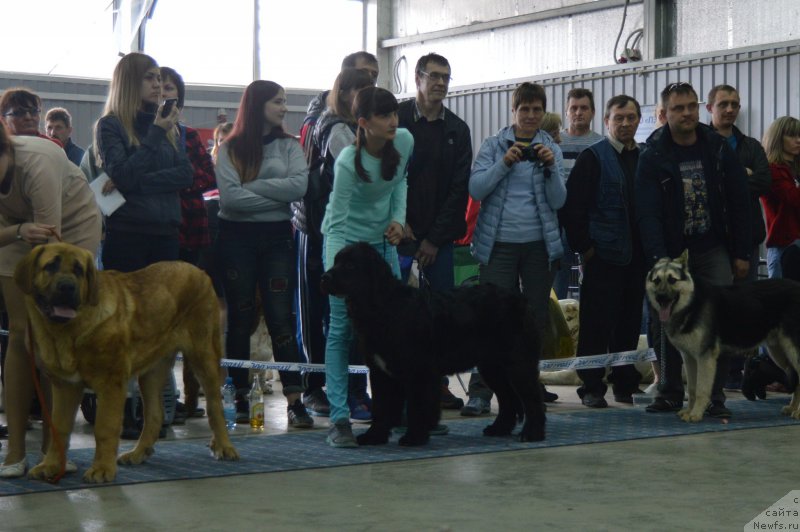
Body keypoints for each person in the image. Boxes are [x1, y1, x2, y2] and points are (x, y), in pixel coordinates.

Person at [635, 81, 751, 417]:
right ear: (664, 113)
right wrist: (659, 260)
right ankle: (670, 391)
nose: (686, 113)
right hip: (670, 254)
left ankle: (713, 398)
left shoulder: (717, 147)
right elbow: (647, 213)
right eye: (677, 108)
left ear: (699, 109)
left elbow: (739, 201)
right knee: (664, 322)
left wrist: (742, 252)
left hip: (713, 247)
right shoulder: (652, 154)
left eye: (690, 107)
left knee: (719, 321)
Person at [0, 120, 102, 478]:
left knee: (49, 337)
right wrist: (14, 230)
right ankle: (13, 450)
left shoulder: (37, 163)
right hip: (13, 231)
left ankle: (53, 448)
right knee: (18, 332)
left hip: (67, 228)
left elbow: (50, 244)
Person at [462, 82, 566, 417]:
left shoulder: (551, 147)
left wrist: (551, 169)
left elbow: (559, 200)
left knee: (531, 323)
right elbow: (476, 189)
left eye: (538, 110)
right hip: (499, 246)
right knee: (488, 319)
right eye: (525, 109)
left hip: (539, 248)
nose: (531, 116)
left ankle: (527, 389)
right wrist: (504, 163)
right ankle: (480, 392)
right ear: (514, 111)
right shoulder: (494, 145)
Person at [215, 79, 313, 429]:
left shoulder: (291, 146)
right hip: (235, 239)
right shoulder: (229, 149)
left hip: (276, 238)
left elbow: (299, 187)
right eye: (277, 102)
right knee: (240, 319)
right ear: (257, 105)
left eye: (285, 101)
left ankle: (294, 401)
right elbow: (229, 200)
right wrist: (276, 195)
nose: (284, 108)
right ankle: (239, 395)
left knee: (280, 319)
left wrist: (250, 188)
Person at [322, 86, 413, 447]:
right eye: (384, 115)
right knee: (341, 333)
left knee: (394, 332)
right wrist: (334, 276)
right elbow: (337, 223)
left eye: (394, 113)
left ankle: (393, 413)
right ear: (363, 123)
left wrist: (398, 221)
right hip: (345, 248)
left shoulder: (404, 140)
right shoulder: (347, 161)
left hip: (382, 245)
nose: (393, 121)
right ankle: (339, 419)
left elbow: (400, 182)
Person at [293, 68, 374, 420]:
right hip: (322, 232)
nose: (370, 92)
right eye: (363, 86)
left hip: (336, 231)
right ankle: (318, 389)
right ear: (344, 92)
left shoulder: (347, 126)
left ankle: (344, 391)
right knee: (324, 316)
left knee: (342, 317)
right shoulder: (333, 128)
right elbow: (360, 182)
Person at [559, 95, 646, 408]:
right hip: (603, 257)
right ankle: (592, 387)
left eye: (631, 118)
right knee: (596, 326)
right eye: (618, 118)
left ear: (638, 120)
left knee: (629, 324)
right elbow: (573, 209)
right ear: (606, 121)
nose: (625, 124)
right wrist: (586, 249)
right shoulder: (593, 157)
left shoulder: (645, 156)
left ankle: (624, 383)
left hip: (638, 259)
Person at [397, 53, 472, 412]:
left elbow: (460, 191)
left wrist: (432, 240)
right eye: (435, 76)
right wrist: (402, 227)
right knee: (400, 319)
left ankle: (438, 386)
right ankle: (398, 388)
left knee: (441, 319)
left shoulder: (458, 129)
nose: (441, 83)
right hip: (396, 237)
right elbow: (386, 178)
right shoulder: (395, 120)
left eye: (447, 77)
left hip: (438, 243)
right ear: (418, 78)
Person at [160, 66, 217, 422]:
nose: (166, 95)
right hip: (158, 230)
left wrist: (171, 175)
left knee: (188, 315)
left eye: (172, 90)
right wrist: (175, 175)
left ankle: (192, 397)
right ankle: (165, 397)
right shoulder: (141, 134)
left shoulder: (189, 135)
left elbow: (205, 177)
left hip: (191, 230)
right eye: (160, 88)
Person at [706, 84, 771, 389]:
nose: (730, 109)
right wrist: (739, 177)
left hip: (747, 239)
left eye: (735, 104)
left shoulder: (751, 146)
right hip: (713, 241)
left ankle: (739, 372)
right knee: (719, 309)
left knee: (745, 307)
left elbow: (763, 181)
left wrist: (732, 181)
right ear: (710, 108)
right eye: (724, 104)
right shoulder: (701, 144)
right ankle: (717, 377)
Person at [553, 88, 604, 299]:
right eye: (573, 108)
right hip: (557, 219)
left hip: (588, 221)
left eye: (584, 108)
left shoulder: (601, 145)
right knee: (559, 276)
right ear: (566, 112)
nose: (578, 112)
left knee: (591, 278)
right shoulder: (555, 142)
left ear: (593, 112)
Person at [299, 52, 379, 152]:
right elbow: (307, 161)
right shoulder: (316, 116)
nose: (371, 78)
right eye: (363, 71)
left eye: (374, 74)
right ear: (345, 74)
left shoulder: (368, 111)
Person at [760, 116, 800, 279]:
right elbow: (794, 198)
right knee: (783, 302)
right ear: (778, 138)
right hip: (785, 244)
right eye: (792, 135)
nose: (798, 140)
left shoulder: (795, 170)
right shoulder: (772, 171)